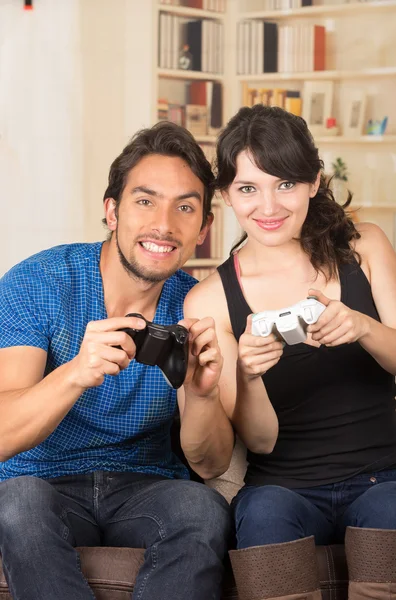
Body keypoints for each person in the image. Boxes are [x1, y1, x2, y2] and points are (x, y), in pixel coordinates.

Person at [0, 121, 234, 600]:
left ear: (204, 228)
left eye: (185, 208)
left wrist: (203, 395)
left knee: (203, 508)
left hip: (145, 486)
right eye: (145, 201)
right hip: (40, 481)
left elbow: (210, 464)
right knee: (17, 502)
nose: (164, 225)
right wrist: (75, 374)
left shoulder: (199, 306)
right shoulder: (40, 282)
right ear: (112, 211)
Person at [184, 104, 396, 600]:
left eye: (285, 184)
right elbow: (258, 443)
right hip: (281, 489)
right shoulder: (210, 299)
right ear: (226, 196)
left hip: (383, 477)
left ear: (314, 182)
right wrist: (250, 375)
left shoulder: (364, 248)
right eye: (248, 189)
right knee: (262, 516)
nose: (269, 206)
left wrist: (362, 326)